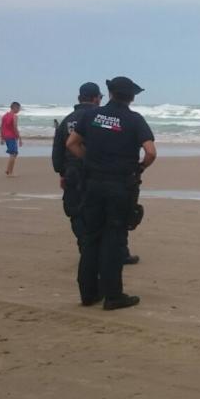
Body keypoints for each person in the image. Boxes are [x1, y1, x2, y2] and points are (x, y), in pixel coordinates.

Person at [67, 76, 156, 310]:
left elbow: (71, 144)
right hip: (120, 186)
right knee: (114, 239)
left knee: (91, 238)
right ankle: (113, 296)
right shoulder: (134, 120)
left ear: (109, 93)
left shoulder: (90, 115)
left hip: (93, 184)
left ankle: (88, 294)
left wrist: (90, 162)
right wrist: (139, 168)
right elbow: (150, 152)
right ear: (132, 97)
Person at [0, 103, 22, 175]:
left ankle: (8, 170)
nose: (19, 110)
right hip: (12, 137)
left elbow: (1, 127)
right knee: (13, 154)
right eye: (18, 108)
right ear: (15, 108)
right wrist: (19, 138)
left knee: (13, 154)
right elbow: (15, 127)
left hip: (6, 137)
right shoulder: (14, 116)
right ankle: (10, 173)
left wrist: (2, 138)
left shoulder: (4, 116)